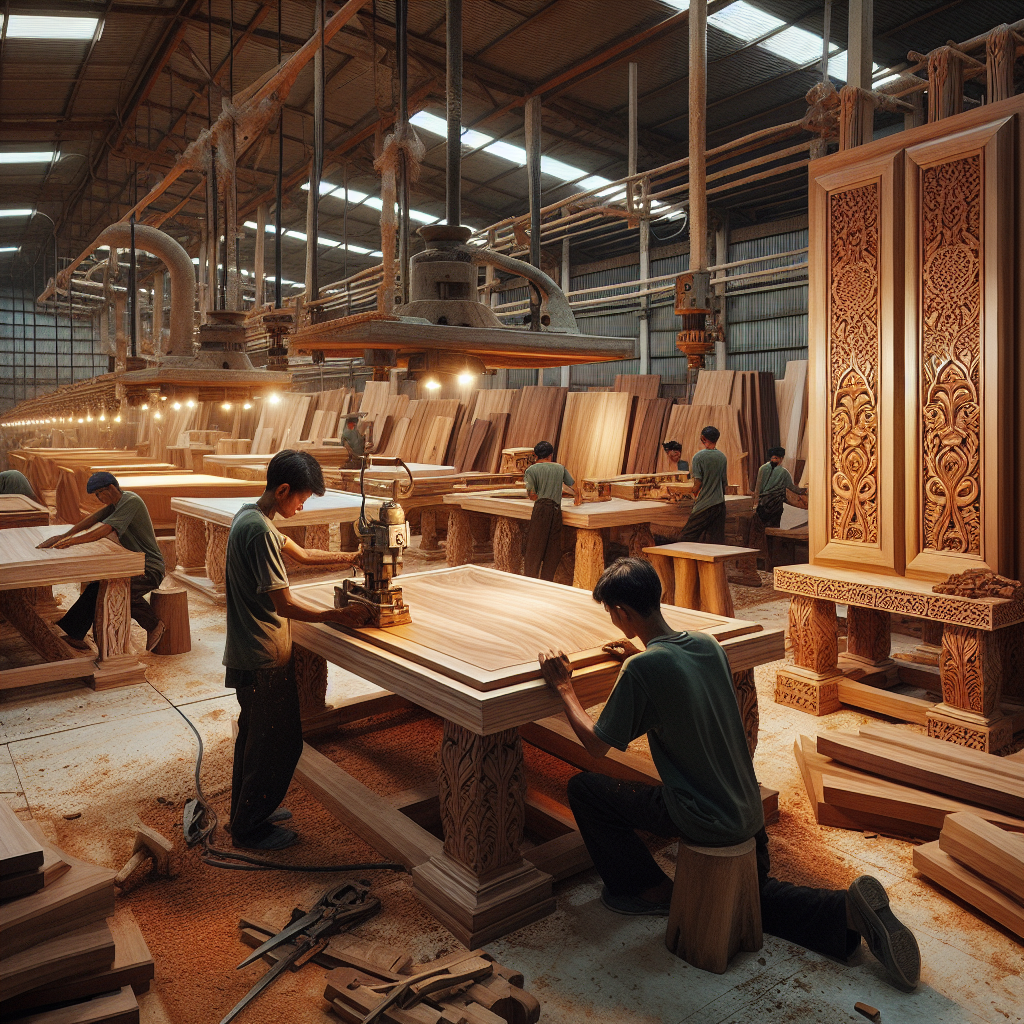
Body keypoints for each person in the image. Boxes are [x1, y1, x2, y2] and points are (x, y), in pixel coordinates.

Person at [539, 557, 921, 993]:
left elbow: (595, 744)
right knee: (751, 900)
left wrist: (564, 687)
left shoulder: (642, 670)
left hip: (704, 817)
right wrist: (639, 657)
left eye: (610, 611)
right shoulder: (707, 645)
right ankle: (845, 912)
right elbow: (676, 678)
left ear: (621, 613)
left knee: (585, 789)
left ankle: (647, 891)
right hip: (747, 811)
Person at [224, 449, 369, 851]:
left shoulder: (250, 516)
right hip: (263, 656)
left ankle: (246, 813)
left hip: (248, 651)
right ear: (284, 490)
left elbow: (302, 554)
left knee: (255, 740)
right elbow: (284, 604)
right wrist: (335, 615)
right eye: (302, 499)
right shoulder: (261, 533)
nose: (302, 507)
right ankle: (250, 830)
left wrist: (351, 556)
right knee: (279, 745)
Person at [38, 472, 166, 653]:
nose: (98, 498)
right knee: (96, 586)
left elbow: (105, 528)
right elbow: (92, 520)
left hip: (150, 569)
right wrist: (63, 536)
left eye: (99, 493)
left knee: (116, 593)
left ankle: (153, 625)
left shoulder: (131, 501)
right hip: (134, 564)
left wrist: (73, 541)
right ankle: (72, 632)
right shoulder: (117, 504)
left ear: (111, 488)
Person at [523, 440, 582, 581]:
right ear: (550, 455)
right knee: (553, 549)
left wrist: (541, 493)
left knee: (534, 547)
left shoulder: (531, 470)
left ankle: (530, 580)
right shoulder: (560, 468)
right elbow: (575, 488)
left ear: (536, 455)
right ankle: (547, 581)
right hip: (556, 510)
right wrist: (577, 499)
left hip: (541, 509)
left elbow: (532, 495)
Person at [678, 425, 728, 544]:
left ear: (703, 438)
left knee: (685, 539)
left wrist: (685, 493)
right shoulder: (722, 457)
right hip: (719, 505)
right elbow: (724, 483)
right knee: (716, 541)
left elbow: (697, 484)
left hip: (704, 505)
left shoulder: (698, 457)